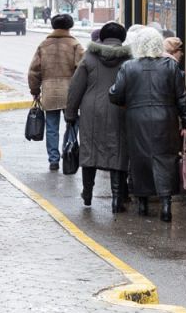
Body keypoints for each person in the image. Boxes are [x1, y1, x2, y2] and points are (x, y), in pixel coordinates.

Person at [109, 26, 186, 222]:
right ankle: (166, 205)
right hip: (165, 119)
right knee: (165, 159)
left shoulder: (128, 67)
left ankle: (143, 204)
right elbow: (182, 98)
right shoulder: (171, 66)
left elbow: (115, 94)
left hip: (137, 120)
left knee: (140, 159)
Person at [66, 22, 131, 213]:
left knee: (90, 152)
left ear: (102, 37)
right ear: (123, 38)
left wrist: (70, 114)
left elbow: (75, 88)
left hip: (91, 111)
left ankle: (87, 194)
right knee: (119, 152)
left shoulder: (89, 57)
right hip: (120, 110)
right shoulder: (129, 59)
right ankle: (117, 200)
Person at [28, 13, 85, 170]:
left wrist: (35, 90)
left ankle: (53, 159)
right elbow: (83, 70)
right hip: (71, 93)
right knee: (72, 123)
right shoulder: (75, 45)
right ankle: (67, 152)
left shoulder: (44, 45)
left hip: (49, 92)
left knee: (51, 127)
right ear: (70, 26)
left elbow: (34, 71)